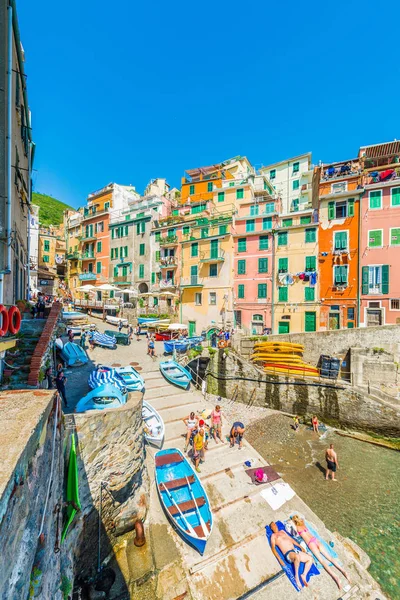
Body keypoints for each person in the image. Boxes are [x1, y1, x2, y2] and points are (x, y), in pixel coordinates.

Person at [291, 515, 350, 589]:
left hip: (310, 543)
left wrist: (292, 522)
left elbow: (290, 526)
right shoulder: (303, 523)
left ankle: (336, 577)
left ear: (294, 521)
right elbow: (302, 517)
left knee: (322, 561)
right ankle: (344, 571)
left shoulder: (297, 528)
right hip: (316, 540)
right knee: (330, 558)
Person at [269, 522, 314, 590]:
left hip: (295, 551)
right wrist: (279, 559)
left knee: (310, 559)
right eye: (273, 526)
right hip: (288, 554)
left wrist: (300, 546)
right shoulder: (273, 536)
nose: (275, 526)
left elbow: (291, 539)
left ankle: (304, 574)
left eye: (275, 524)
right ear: (271, 528)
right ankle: (296, 577)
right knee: (297, 557)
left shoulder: (282, 531)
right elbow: (273, 548)